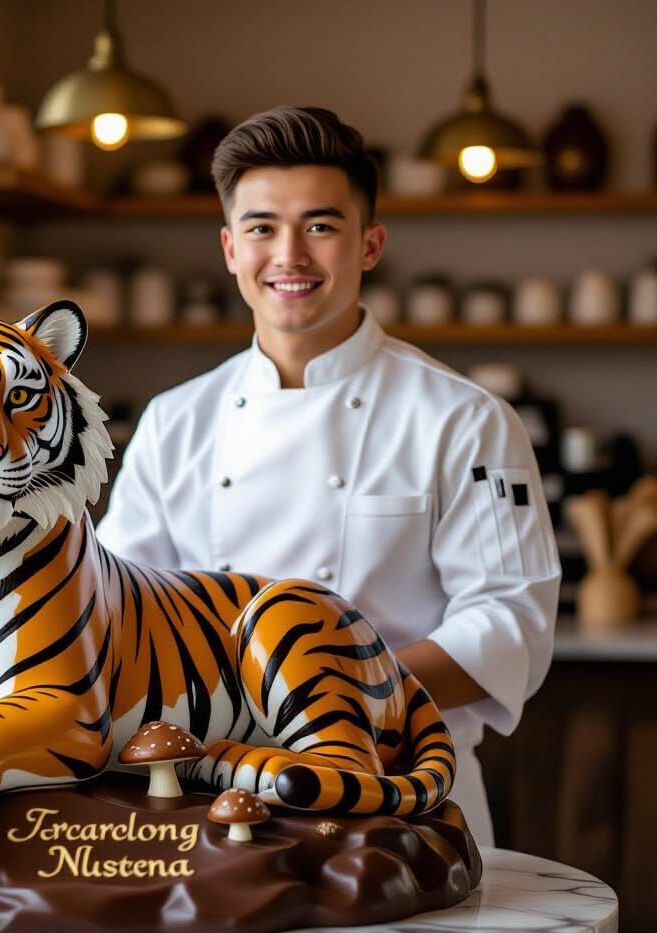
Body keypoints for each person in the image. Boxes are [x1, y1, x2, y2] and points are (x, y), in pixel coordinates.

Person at [96, 106, 561, 846]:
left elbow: (511, 625)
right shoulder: (174, 421)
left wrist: (336, 691)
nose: (289, 255)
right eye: (261, 228)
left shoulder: (464, 418)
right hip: (204, 799)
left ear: (369, 244)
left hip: (399, 791)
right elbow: (115, 615)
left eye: (320, 226)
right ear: (228, 248)